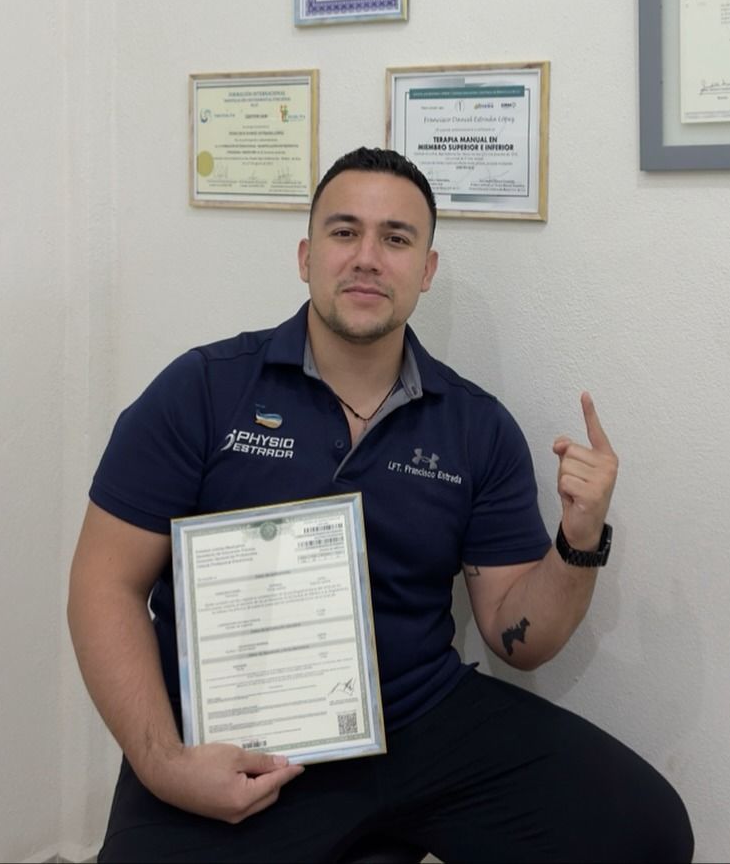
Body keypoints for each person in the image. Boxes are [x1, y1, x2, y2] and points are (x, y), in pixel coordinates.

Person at [68, 147, 694, 863]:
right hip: (233, 738)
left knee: (646, 831)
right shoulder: (202, 392)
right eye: (344, 232)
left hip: (416, 719)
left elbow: (519, 639)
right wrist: (163, 763)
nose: (367, 257)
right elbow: (103, 585)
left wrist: (577, 542)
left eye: (396, 239)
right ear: (306, 256)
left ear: (426, 270)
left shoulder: (476, 426)